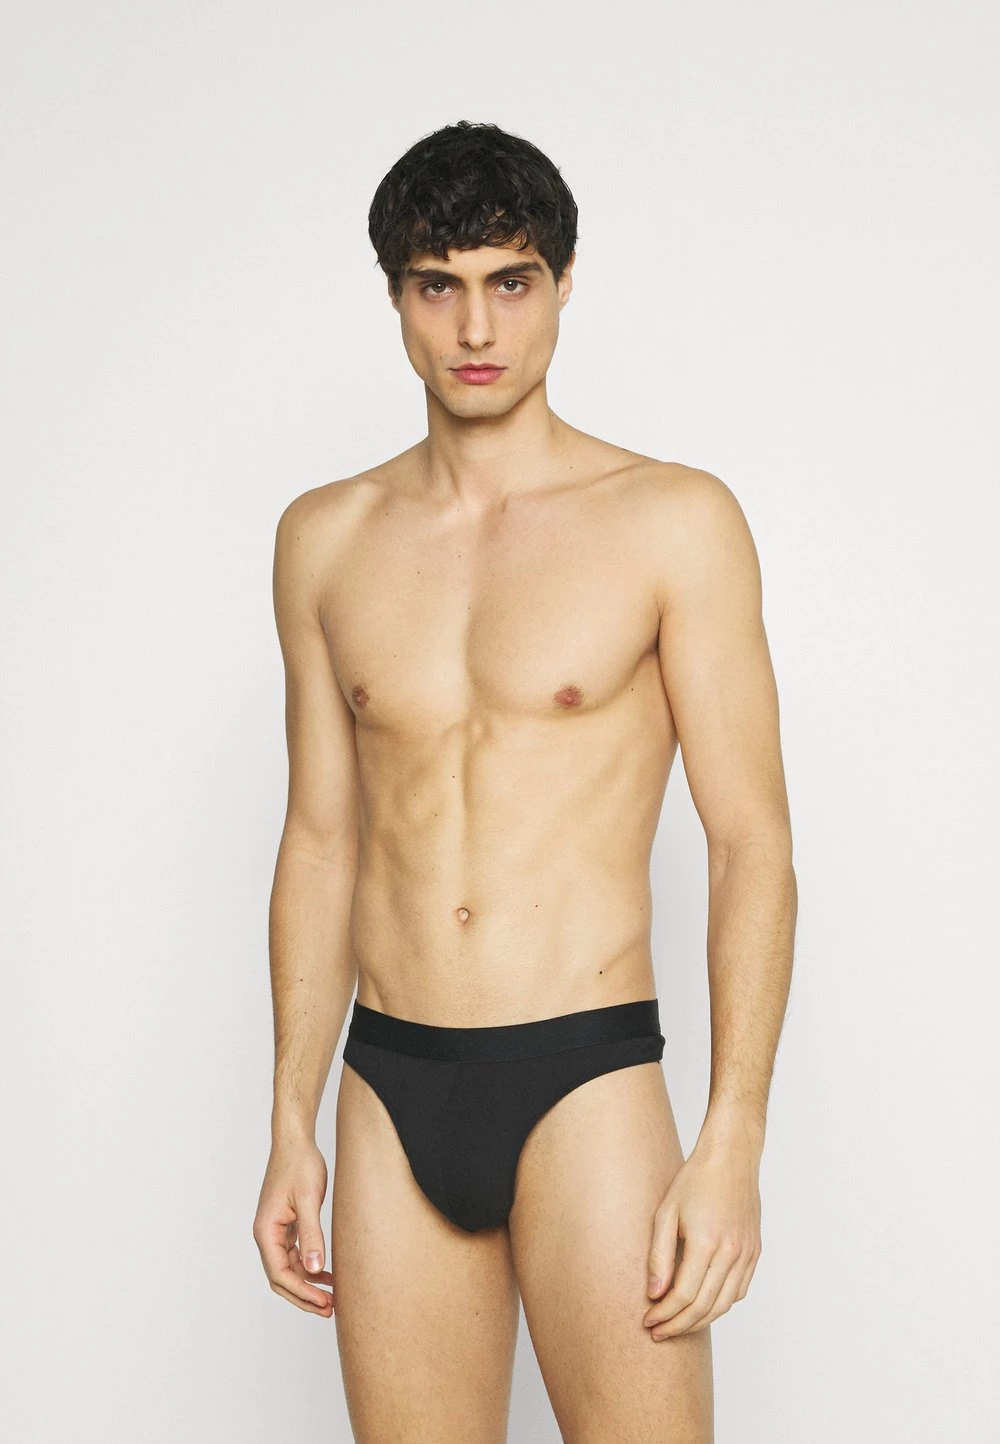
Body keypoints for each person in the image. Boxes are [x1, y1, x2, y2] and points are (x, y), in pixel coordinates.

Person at [252, 119, 796, 1443]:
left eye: (511, 281)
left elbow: (750, 844)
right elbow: (321, 840)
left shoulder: (672, 521)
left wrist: (731, 1140)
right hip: (389, 1081)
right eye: (437, 286)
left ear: (561, 285)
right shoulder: (325, 538)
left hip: (585, 1076)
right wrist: (288, 1117)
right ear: (396, 299)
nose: (476, 327)